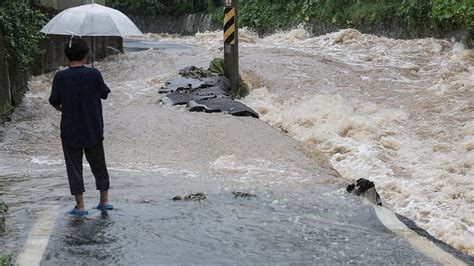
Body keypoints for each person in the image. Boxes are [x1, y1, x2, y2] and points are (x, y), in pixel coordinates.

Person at [49, 36, 112, 216]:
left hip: (70, 129)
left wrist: (63, 108)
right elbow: (104, 94)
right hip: (93, 127)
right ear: (86, 54)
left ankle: (80, 206)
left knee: (74, 168)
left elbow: (54, 101)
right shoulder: (94, 73)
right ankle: (104, 200)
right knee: (99, 164)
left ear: (67, 56)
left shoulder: (60, 76)